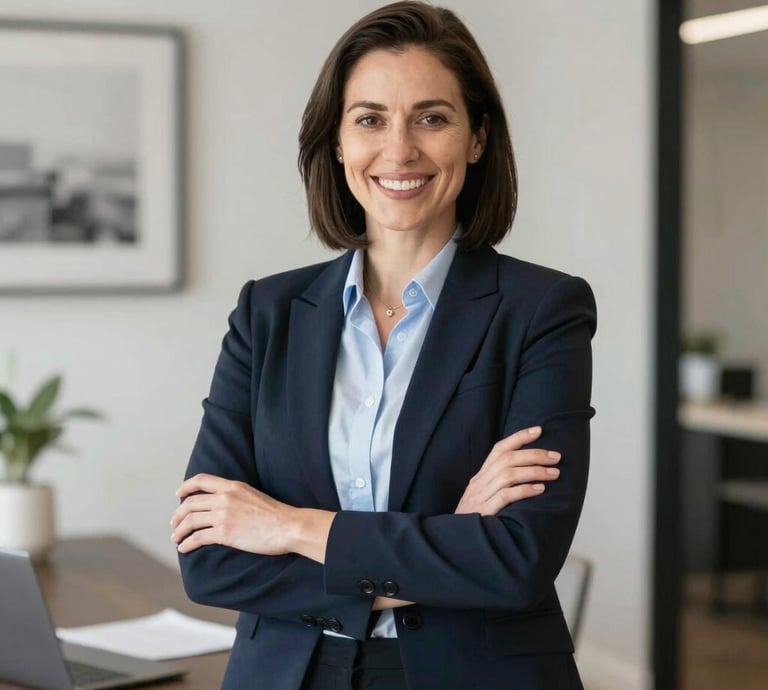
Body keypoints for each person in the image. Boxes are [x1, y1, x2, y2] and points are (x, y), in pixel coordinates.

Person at [171, 2, 596, 689]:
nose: (399, 151)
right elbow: (209, 558)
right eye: (370, 119)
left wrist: (289, 527)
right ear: (337, 142)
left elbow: (516, 558)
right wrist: (445, 540)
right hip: (286, 672)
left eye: (431, 118)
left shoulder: (542, 310)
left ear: (477, 138)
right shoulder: (266, 314)